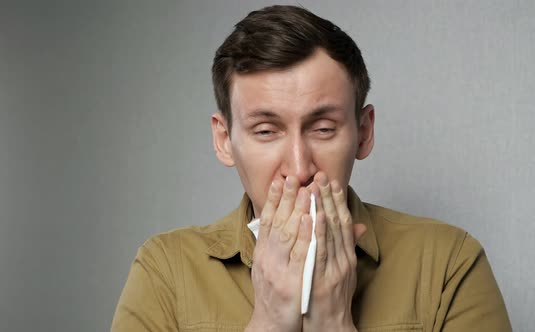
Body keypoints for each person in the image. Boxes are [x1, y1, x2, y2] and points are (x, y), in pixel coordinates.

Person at [111, 5, 512, 332]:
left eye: (323, 129)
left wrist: (336, 325)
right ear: (224, 140)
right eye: (266, 131)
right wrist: (268, 322)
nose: (300, 169)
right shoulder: (165, 270)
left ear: (364, 132)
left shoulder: (448, 263)